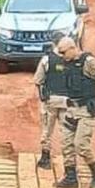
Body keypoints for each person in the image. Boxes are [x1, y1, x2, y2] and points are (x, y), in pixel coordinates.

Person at [53, 37, 95, 188]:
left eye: (63, 52)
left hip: (87, 109)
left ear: (72, 48)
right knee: (66, 143)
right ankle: (70, 177)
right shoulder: (66, 64)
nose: (62, 55)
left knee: (81, 144)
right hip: (72, 107)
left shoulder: (88, 62)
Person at [32, 30, 67, 170]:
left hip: (50, 100)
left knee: (47, 130)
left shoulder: (47, 59)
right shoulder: (73, 60)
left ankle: (45, 158)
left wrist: (42, 96)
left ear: (53, 43)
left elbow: (38, 80)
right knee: (68, 132)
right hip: (68, 102)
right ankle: (69, 164)